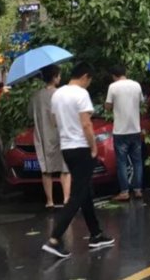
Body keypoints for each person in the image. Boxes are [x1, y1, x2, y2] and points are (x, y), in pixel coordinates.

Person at [42, 63, 114, 259]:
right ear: (85, 76)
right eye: (89, 81)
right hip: (81, 147)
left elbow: (55, 121)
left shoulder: (57, 94)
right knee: (77, 195)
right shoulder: (81, 94)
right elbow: (86, 124)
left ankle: (96, 234)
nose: (88, 84)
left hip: (66, 148)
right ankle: (55, 239)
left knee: (84, 191)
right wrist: (93, 147)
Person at [30, 65, 70, 209]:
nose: (60, 78)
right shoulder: (61, 94)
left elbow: (30, 114)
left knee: (46, 169)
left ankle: (50, 201)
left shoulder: (36, 96)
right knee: (65, 168)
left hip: (43, 135)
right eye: (58, 75)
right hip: (60, 134)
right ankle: (66, 199)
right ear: (54, 77)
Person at [106, 66, 144, 202]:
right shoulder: (136, 85)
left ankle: (124, 192)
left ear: (113, 75)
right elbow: (141, 102)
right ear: (125, 73)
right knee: (137, 161)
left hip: (120, 131)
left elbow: (108, 106)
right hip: (135, 129)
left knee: (122, 162)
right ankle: (138, 190)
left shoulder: (113, 87)